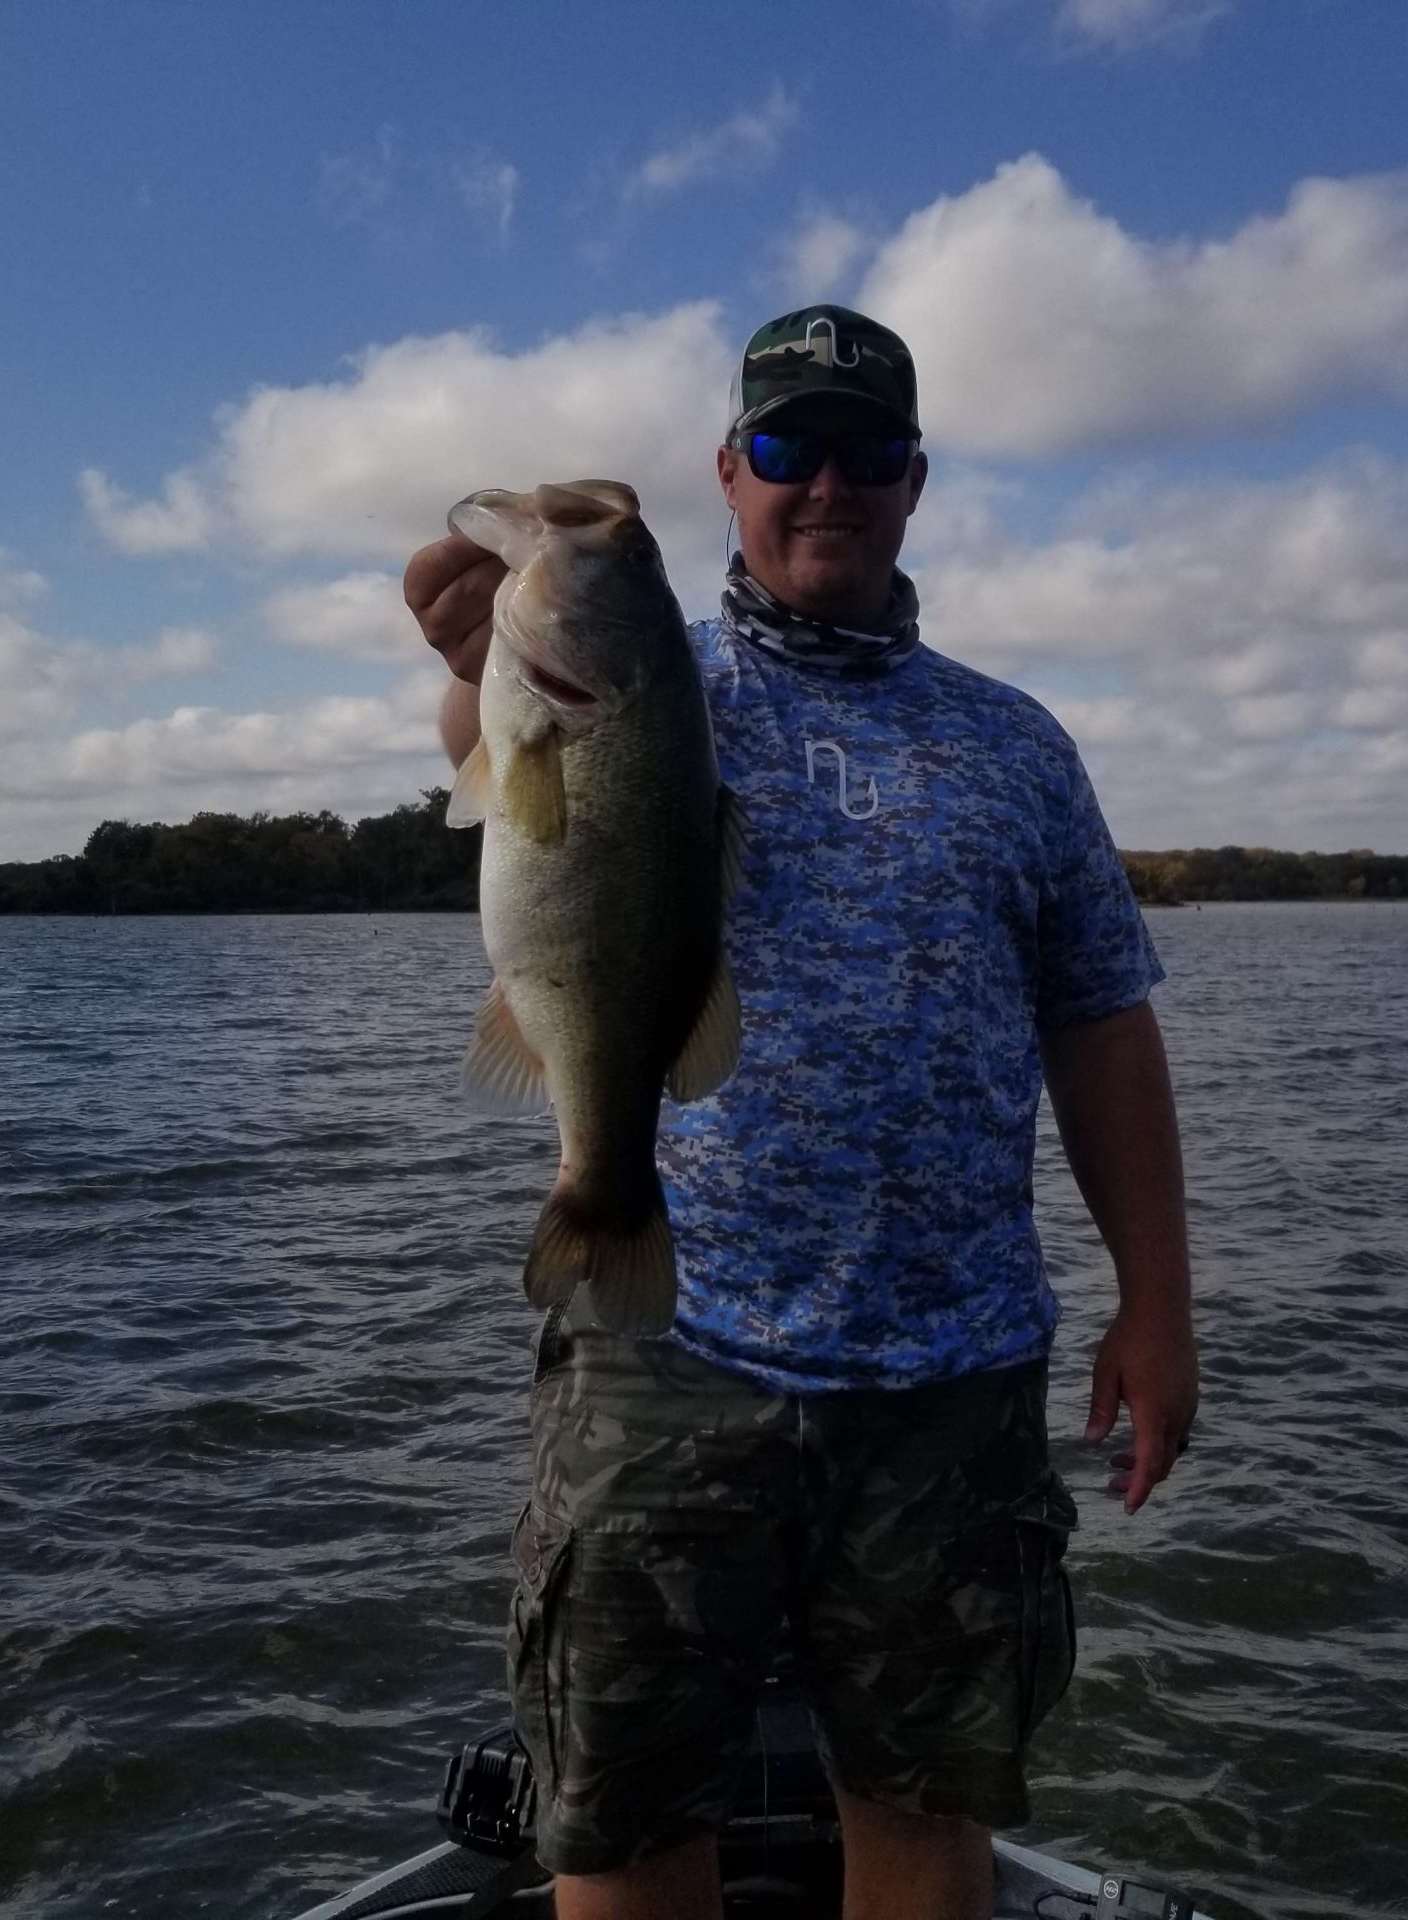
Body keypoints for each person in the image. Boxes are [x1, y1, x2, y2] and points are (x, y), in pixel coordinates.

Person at [403, 304, 1198, 1920]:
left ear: (915, 481)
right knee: (623, 1825)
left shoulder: (1020, 748)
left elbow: (1102, 1021)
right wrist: (476, 658)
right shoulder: (656, 676)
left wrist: (1159, 1303)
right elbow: (495, 747)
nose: (826, 482)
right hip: (665, 1349)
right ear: (729, 473)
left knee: (924, 1816)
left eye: (865, 450)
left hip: (952, 1378)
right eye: (787, 447)